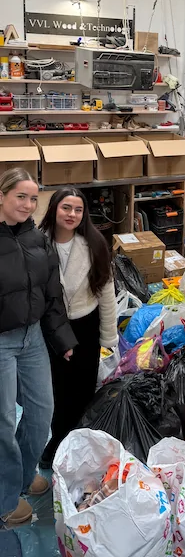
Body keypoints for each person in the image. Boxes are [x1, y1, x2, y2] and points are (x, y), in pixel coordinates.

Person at [0, 168, 76, 527]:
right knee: (3, 422)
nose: (28, 205)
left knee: (41, 412)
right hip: (1, 341)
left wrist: (62, 339)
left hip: (32, 338)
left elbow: (51, 292)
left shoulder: (37, 239)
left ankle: (22, 473)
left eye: (33, 199)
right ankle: (4, 499)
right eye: (21, 197)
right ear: (2, 196)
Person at [39, 186, 118, 467]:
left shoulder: (94, 244)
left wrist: (109, 336)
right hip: (50, 327)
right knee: (55, 390)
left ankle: (77, 442)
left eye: (78, 209)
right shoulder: (38, 243)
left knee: (83, 388)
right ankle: (58, 441)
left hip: (85, 324)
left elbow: (106, 292)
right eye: (66, 208)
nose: (71, 214)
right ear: (54, 209)